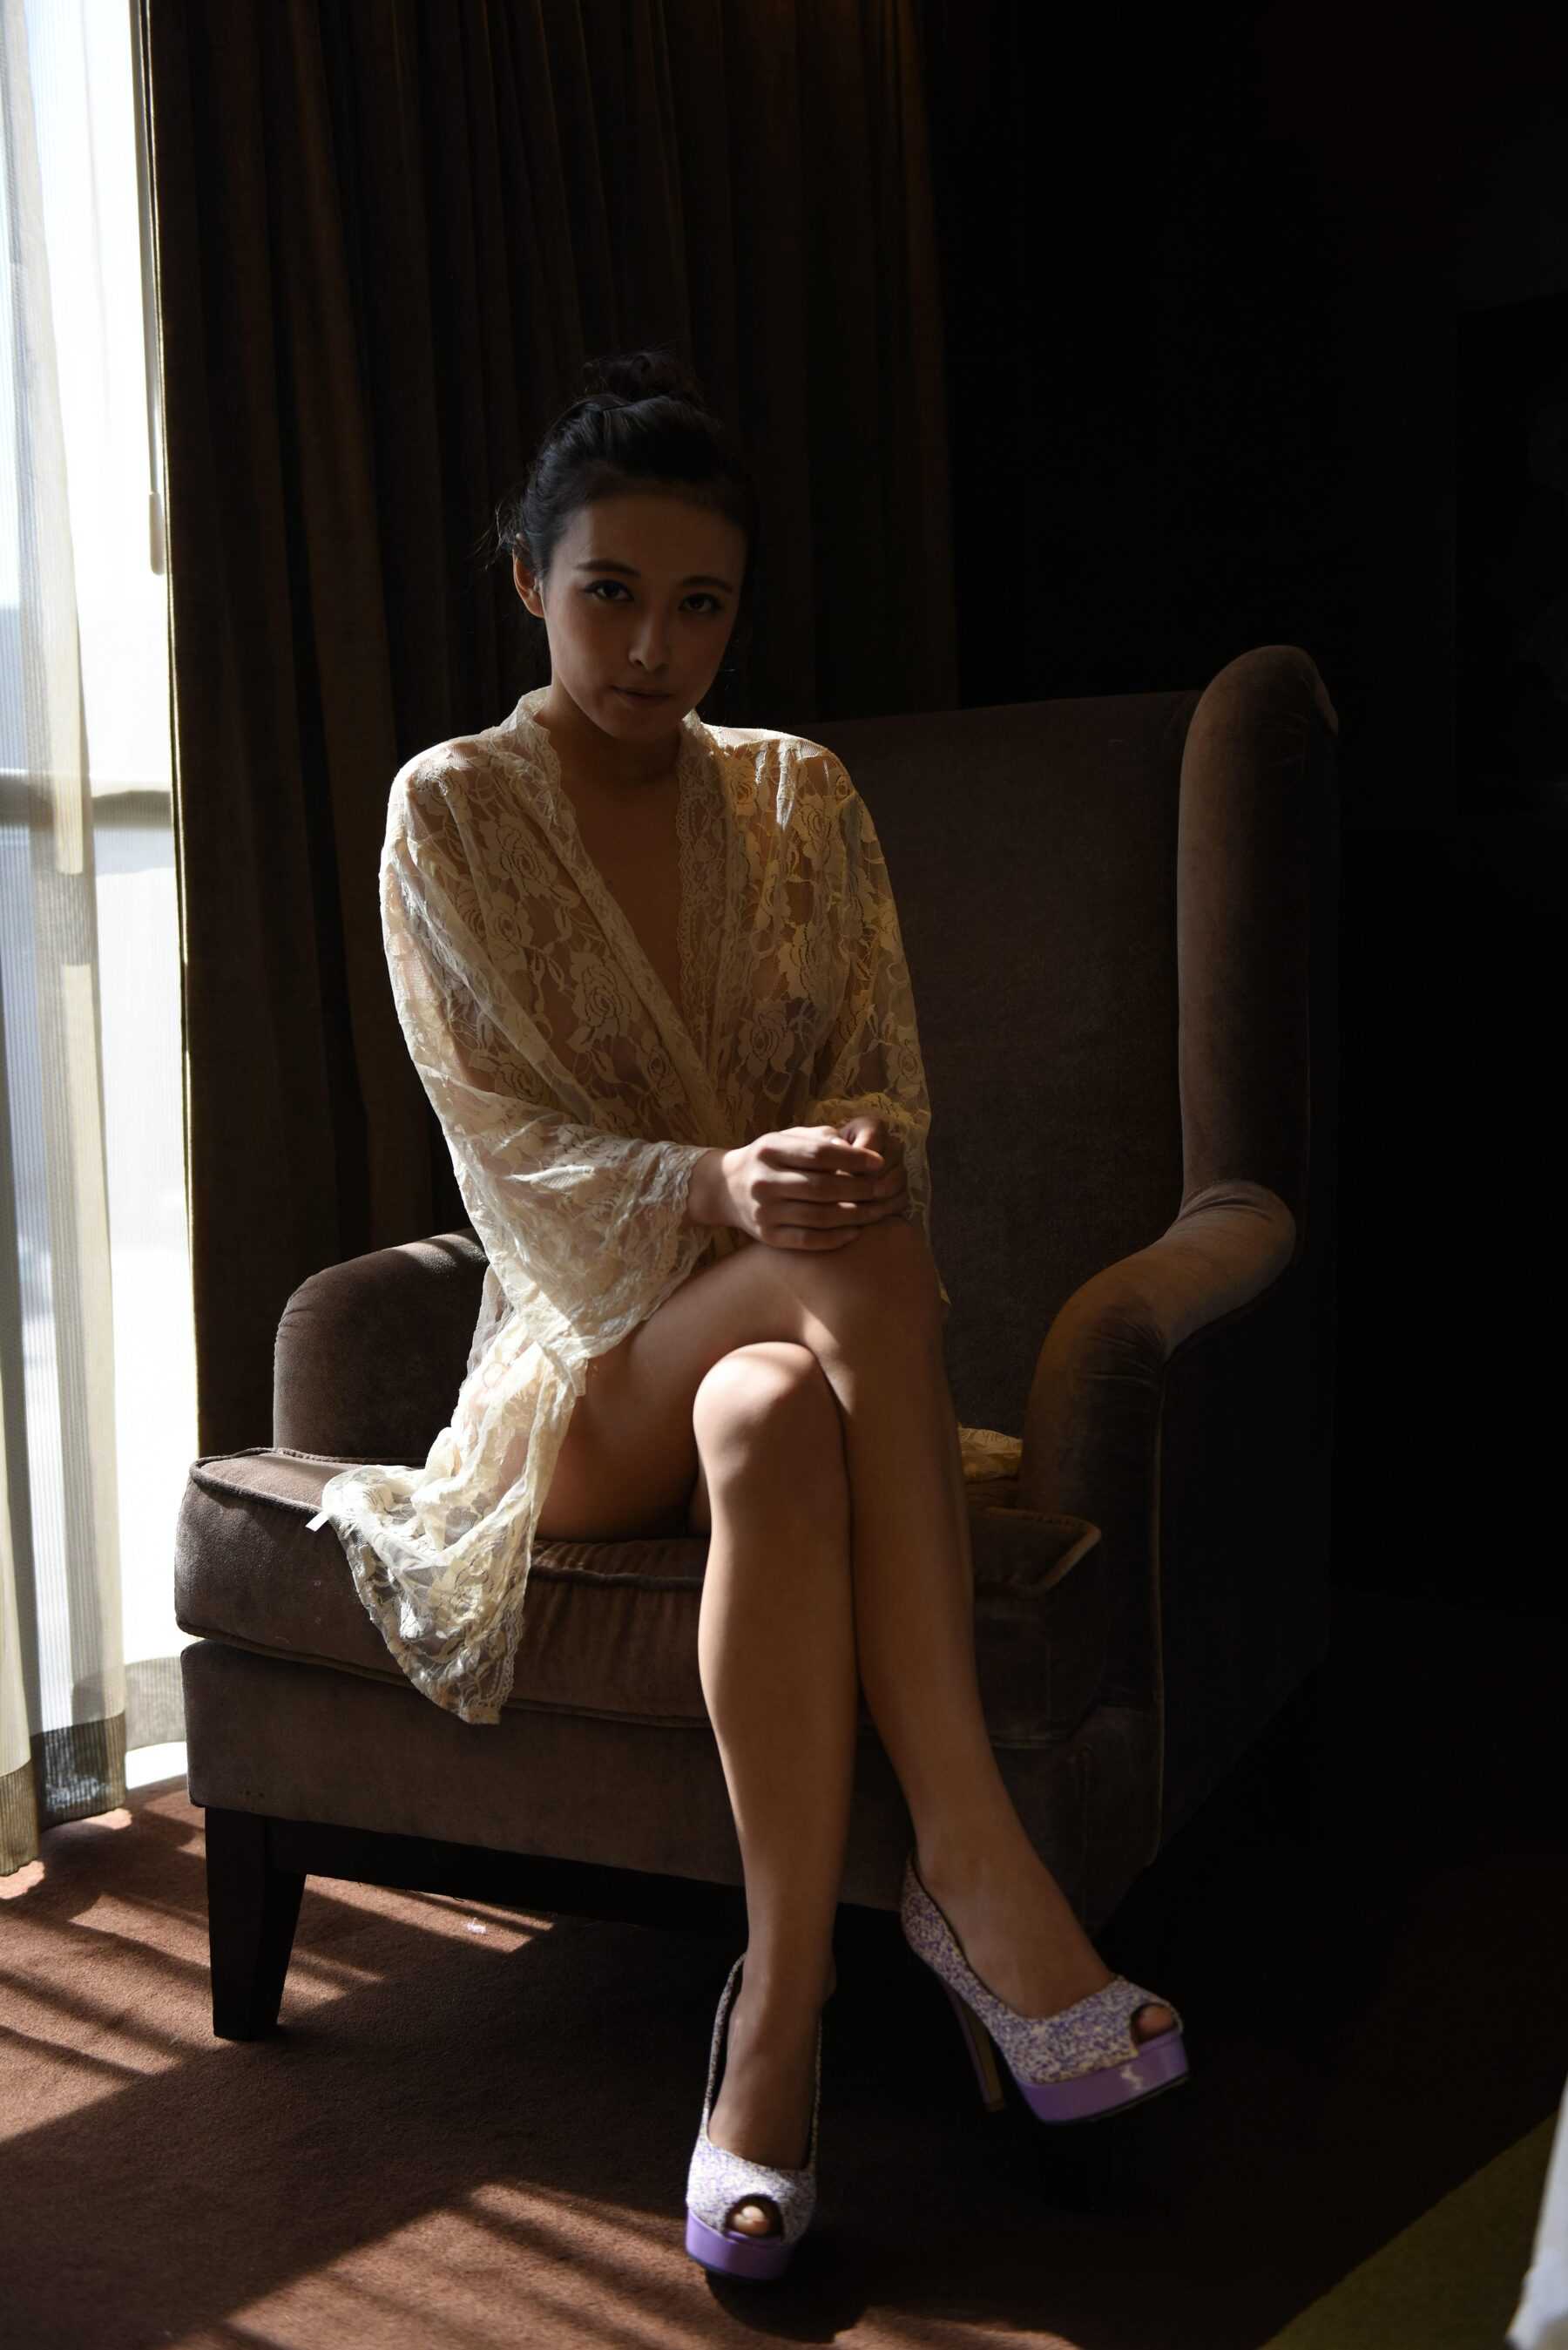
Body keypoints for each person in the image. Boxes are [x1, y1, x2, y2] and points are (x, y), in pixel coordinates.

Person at [309, 348, 1183, 2274]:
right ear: (528, 580)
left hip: (780, 1357)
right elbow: (502, 1152)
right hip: (581, 1373)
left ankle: (775, 2019)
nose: (655, 646)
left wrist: (827, 1162)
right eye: (611, 591)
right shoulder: (449, 810)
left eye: (701, 603)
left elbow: (885, 1090)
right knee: (848, 1264)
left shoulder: (803, 795)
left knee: (786, 1395)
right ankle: (974, 1855)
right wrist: (721, 1185)